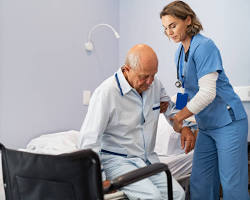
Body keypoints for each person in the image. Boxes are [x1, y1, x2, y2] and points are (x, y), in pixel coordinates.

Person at [79, 44, 196, 200]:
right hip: (118, 161)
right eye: (144, 76)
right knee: (153, 197)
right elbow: (89, 139)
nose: (150, 82)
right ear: (127, 70)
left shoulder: (154, 84)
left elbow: (170, 109)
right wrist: (98, 179)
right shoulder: (107, 93)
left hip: (148, 160)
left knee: (177, 195)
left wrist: (185, 128)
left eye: (153, 75)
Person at [160, 1, 249, 200]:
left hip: (229, 123)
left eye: (173, 25)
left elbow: (207, 93)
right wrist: (178, 116)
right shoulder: (179, 53)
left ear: (188, 20)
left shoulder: (205, 46)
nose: (169, 32)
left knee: (232, 186)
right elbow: (188, 90)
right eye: (165, 28)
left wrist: (179, 118)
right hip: (207, 127)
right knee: (201, 184)